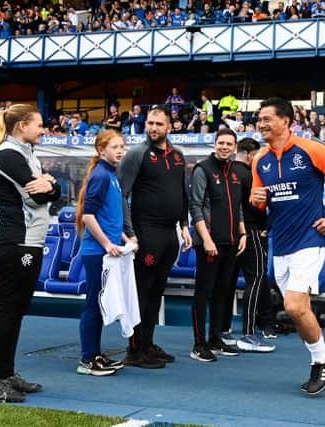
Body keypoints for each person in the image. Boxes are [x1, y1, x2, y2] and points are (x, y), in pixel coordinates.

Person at [250, 97, 325, 395]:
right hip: (279, 244)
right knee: (299, 311)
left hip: (309, 241)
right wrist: (256, 202)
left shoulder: (311, 150)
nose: (261, 124)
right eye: (259, 119)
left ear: (286, 121)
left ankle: (320, 363)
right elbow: (260, 202)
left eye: (267, 118)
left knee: (293, 306)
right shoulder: (260, 160)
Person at [0, 104, 62, 402]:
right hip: (14, 242)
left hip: (30, 242)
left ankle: (6, 373)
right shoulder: (8, 154)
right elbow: (40, 195)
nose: (43, 129)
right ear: (20, 126)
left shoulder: (26, 154)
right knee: (6, 310)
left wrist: (52, 184)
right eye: (39, 124)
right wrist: (49, 185)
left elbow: (54, 193)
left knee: (16, 311)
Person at [118, 106, 192, 369]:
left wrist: (184, 224)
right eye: (150, 123)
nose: (153, 128)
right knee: (142, 291)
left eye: (159, 124)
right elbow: (121, 196)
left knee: (157, 291)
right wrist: (130, 232)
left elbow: (182, 194)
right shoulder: (137, 154)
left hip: (169, 233)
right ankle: (135, 349)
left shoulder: (179, 156)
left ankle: (148, 343)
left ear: (169, 127)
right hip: (146, 232)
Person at [75, 129, 130, 376]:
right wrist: (108, 243)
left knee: (99, 303)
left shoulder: (111, 174)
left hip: (107, 250)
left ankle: (95, 354)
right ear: (101, 150)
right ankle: (88, 359)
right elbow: (88, 216)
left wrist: (125, 238)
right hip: (97, 252)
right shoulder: (101, 175)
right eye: (115, 147)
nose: (120, 151)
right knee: (94, 304)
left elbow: (110, 216)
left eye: (122, 146)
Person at [189, 128, 246, 362]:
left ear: (234, 147)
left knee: (223, 293)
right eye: (221, 142)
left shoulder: (234, 172)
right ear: (215, 144)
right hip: (210, 243)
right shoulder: (203, 169)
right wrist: (206, 239)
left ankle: (215, 338)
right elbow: (196, 206)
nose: (224, 147)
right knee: (203, 293)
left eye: (229, 143)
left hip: (232, 242)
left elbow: (238, 206)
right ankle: (198, 344)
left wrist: (243, 233)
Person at [222, 137, 276, 353]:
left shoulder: (225, 171)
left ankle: (223, 330)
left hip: (229, 235)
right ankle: (248, 333)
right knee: (257, 277)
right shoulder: (249, 174)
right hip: (252, 232)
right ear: (251, 154)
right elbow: (256, 205)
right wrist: (265, 224)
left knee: (228, 281)